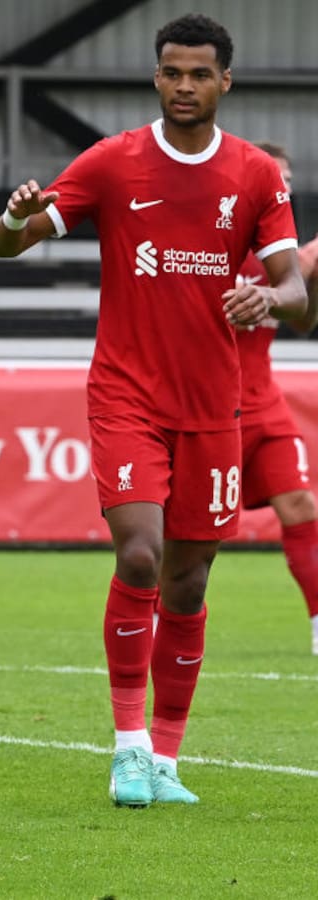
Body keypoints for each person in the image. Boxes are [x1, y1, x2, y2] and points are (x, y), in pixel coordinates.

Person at [0, 14, 309, 808]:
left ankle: (166, 756)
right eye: (172, 72)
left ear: (225, 81)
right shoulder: (113, 161)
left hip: (215, 406)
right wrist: (14, 215)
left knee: (189, 583)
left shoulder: (254, 174)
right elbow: (8, 244)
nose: (184, 86)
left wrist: (268, 298)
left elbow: (297, 294)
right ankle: (128, 747)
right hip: (127, 394)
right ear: (156, 76)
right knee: (140, 554)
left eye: (199, 74)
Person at [236, 143, 318, 653]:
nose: (283, 186)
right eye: (275, 177)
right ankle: (153, 615)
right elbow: (239, 303)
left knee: (300, 503)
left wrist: (312, 276)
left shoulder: (281, 253)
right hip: (207, 404)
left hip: (263, 400)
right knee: (186, 527)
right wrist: (302, 263)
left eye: (288, 179)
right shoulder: (221, 241)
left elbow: (303, 321)